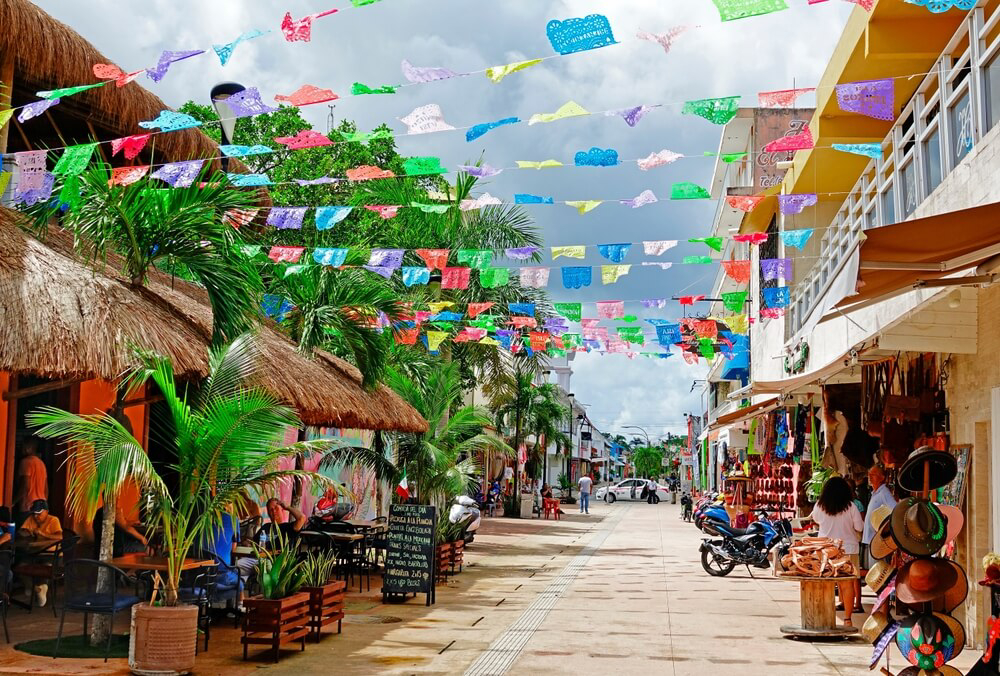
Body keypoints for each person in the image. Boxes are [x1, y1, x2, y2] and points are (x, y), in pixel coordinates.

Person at [809, 477, 864, 624]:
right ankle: (847, 619)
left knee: (826, 583)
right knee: (847, 584)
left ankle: (823, 617)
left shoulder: (819, 506)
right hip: (849, 549)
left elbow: (815, 520)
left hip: (826, 550)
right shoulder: (851, 507)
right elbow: (859, 528)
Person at [17, 500, 63, 607]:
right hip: (34, 553)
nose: (36, 516)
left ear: (46, 511)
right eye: (34, 513)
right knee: (20, 567)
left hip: (51, 554)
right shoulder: (31, 519)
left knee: (46, 569)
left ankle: (41, 590)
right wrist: (26, 532)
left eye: (39, 513)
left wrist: (42, 533)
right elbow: (21, 531)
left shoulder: (53, 520)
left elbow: (60, 537)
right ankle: (35, 589)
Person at [862, 465, 896, 564]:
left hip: (878, 541)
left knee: (877, 569)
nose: (870, 477)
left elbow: (895, 509)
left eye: (873, 474)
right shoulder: (875, 493)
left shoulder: (884, 493)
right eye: (869, 474)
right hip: (872, 540)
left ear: (882, 477)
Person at [15, 438, 47, 523]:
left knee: (23, 534)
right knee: (38, 534)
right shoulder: (42, 464)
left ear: (28, 448)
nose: (20, 449)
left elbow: (25, 486)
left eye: (22, 446)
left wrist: (13, 502)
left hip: (28, 506)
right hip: (42, 506)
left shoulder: (25, 462)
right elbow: (46, 489)